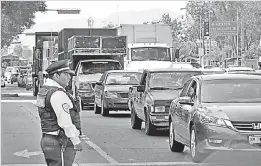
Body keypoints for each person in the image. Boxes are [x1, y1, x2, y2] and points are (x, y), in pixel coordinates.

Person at [36, 60, 83, 166]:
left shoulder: (44, 91)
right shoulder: (57, 94)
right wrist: (76, 140)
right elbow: (65, 121)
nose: (69, 78)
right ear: (56, 76)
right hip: (60, 141)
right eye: (66, 74)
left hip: (48, 138)